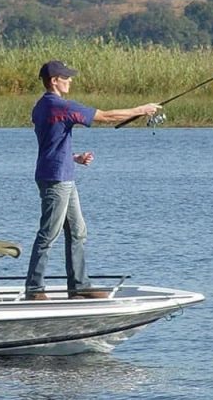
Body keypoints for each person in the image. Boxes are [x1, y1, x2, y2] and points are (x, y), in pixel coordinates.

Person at [25, 60, 161, 300]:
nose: (70, 80)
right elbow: (106, 116)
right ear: (54, 81)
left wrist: (74, 157)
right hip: (56, 179)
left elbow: (51, 142)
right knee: (48, 234)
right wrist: (141, 109)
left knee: (77, 232)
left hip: (62, 174)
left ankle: (79, 286)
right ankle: (34, 289)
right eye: (65, 77)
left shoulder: (41, 106)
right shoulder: (60, 105)